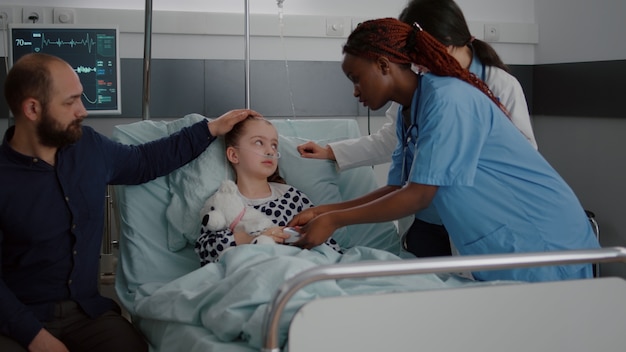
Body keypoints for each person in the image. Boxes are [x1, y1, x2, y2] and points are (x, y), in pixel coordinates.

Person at [288, 18, 600, 283]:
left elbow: (419, 195)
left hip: (543, 239)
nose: (355, 91)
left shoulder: (447, 98)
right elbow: (399, 188)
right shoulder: (410, 111)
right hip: (505, 243)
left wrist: (335, 221)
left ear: (384, 65)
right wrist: (324, 211)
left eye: (356, 79)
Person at [0, 53, 259, 352]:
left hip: (87, 315)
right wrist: (35, 338)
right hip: (17, 318)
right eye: (70, 102)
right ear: (32, 108)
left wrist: (211, 129)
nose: (83, 111)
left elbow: (145, 161)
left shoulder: (89, 148)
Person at [297, 0, 538, 259]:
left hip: (477, 214)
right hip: (424, 218)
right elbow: (395, 149)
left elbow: (523, 154)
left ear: (444, 44)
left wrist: (333, 218)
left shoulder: (495, 85)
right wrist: (330, 172)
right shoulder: (420, 93)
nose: (419, 63)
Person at [195, 116, 341, 265]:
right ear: (234, 155)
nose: (270, 151)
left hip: (298, 270)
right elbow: (205, 251)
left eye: (274, 145)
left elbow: (328, 245)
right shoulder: (224, 202)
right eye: (259, 142)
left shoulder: (292, 197)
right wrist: (252, 239)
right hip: (251, 272)